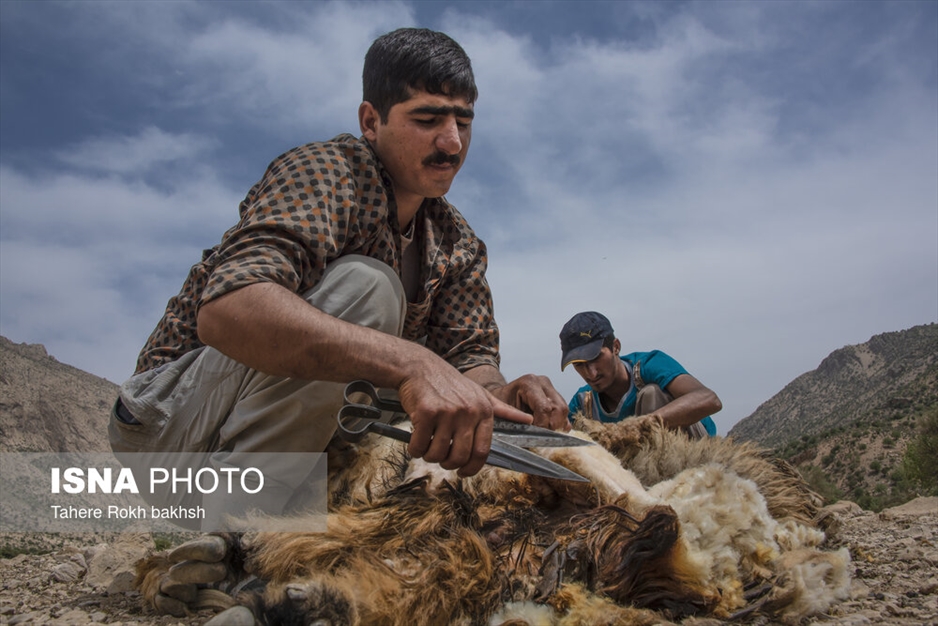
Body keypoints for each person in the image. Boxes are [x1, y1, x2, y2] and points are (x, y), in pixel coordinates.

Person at [108, 27, 568, 528]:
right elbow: (228, 310)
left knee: (416, 424)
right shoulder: (327, 174)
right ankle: (238, 533)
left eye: (464, 120)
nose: (452, 141)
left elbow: (470, 362)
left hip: (298, 444)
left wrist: (504, 398)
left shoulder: (456, 241)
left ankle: (288, 533)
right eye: (428, 119)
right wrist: (411, 362)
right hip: (172, 434)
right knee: (369, 289)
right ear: (372, 121)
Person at [559, 311, 720, 438]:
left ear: (615, 347)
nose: (591, 373)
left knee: (652, 394)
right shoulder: (583, 401)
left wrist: (635, 428)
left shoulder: (649, 365)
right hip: (641, 469)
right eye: (579, 365)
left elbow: (709, 399)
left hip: (692, 454)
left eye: (596, 357)